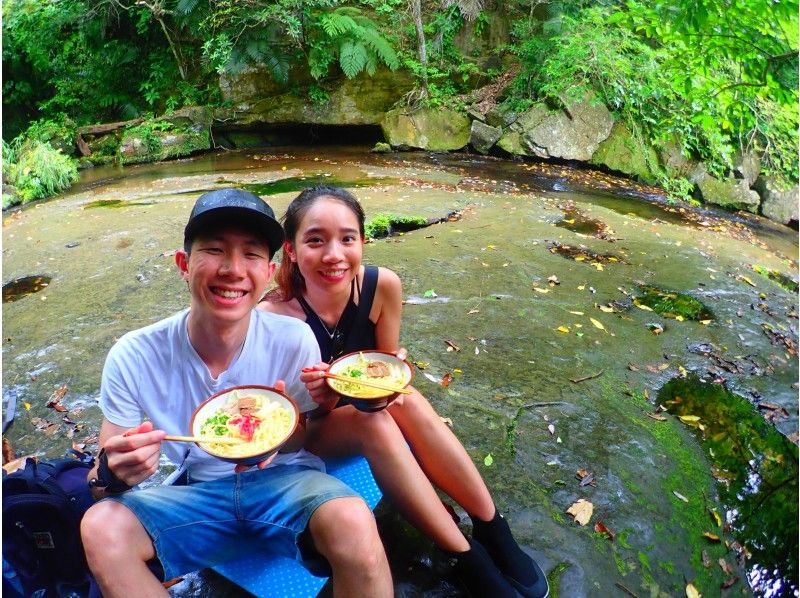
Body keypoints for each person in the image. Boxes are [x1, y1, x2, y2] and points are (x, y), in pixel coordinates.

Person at [80, 188, 392, 598]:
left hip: (287, 483)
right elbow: (101, 484)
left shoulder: (293, 339)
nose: (232, 269)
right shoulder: (134, 355)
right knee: (100, 526)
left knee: (355, 521)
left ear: (269, 271)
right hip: (199, 498)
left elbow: (304, 438)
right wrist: (113, 470)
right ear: (183, 264)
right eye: (214, 250)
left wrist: (286, 429)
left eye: (251, 254)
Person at [259, 185, 549, 598]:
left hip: (363, 408)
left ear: (363, 240)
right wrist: (322, 400)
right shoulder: (274, 317)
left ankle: (491, 526)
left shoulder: (382, 286)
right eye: (315, 240)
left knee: (406, 400)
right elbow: (286, 427)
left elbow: (385, 376)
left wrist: (391, 377)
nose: (334, 255)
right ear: (290, 249)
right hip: (311, 433)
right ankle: (465, 555)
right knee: (372, 421)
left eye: (347, 238)